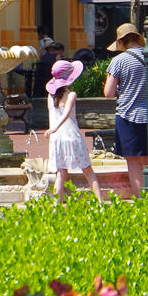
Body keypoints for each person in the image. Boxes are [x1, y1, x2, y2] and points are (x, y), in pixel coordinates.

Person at [44, 59, 102, 203]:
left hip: (57, 139)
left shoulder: (50, 96)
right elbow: (67, 112)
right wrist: (56, 127)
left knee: (61, 173)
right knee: (88, 170)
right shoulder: (71, 94)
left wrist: (54, 129)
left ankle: (56, 206)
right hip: (72, 137)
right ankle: (100, 203)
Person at [104, 23, 148, 192]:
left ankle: (142, 199)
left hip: (128, 115)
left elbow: (108, 93)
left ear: (121, 42)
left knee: (133, 161)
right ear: (138, 38)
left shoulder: (119, 61)